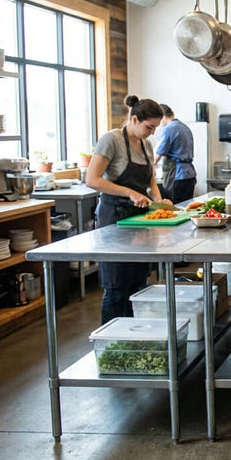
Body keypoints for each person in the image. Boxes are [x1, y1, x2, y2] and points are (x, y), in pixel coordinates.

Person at [86, 95, 168, 324]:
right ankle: (111, 346)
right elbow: (92, 179)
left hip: (140, 220)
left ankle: (134, 338)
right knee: (116, 287)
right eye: (149, 127)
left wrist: (160, 201)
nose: (152, 132)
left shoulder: (146, 144)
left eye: (155, 128)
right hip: (114, 218)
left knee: (138, 284)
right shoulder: (111, 140)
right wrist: (129, 193)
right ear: (134, 118)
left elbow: (151, 180)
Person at [153, 104, 197, 204]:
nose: (159, 124)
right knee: (186, 208)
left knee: (176, 208)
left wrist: (151, 168)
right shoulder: (184, 127)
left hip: (177, 176)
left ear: (163, 116)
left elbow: (157, 156)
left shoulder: (169, 129)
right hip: (190, 175)